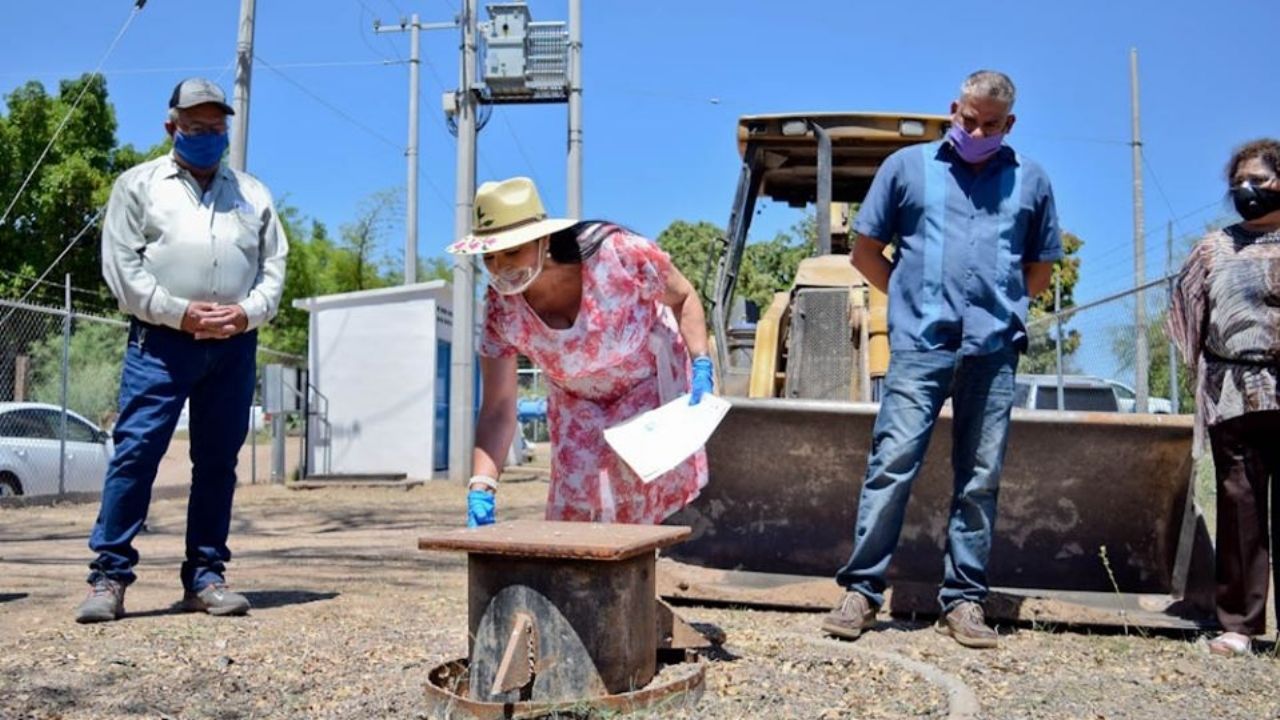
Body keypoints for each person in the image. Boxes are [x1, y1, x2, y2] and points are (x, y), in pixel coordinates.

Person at [820, 70, 1061, 648]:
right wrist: (911, 301)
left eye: (991, 124)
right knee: (892, 463)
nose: (977, 131)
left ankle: (965, 601)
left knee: (980, 478)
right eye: (968, 118)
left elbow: (1041, 269)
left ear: (1011, 124)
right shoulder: (906, 169)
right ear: (954, 108)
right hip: (920, 348)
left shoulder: (1032, 180)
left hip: (993, 351)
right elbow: (865, 252)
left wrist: (999, 309)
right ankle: (860, 590)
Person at [75, 78, 288, 623]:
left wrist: (244, 313)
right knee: (137, 452)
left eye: (217, 128)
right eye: (196, 127)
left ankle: (206, 577)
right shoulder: (138, 185)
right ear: (171, 127)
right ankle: (109, 577)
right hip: (162, 342)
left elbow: (273, 270)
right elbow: (122, 268)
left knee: (217, 462)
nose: (208, 137)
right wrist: (180, 312)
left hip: (233, 344)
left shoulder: (253, 194)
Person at [447, 176, 713, 527]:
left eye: (512, 251)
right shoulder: (501, 310)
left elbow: (682, 296)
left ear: (543, 238)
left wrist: (701, 362)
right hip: (577, 405)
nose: (500, 268)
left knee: (638, 511)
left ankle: (634, 578)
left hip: (646, 390)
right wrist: (482, 485)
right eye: (489, 257)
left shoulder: (617, 255)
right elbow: (498, 407)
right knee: (576, 512)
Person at [1168, 138, 1280, 657]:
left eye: (1259, 180)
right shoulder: (1213, 248)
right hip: (1232, 394)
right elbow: (1187, 314)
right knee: (1240, 507)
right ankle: (1239, 624)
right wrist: (1205, 376)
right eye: (1239, 181)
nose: (1247, 189)